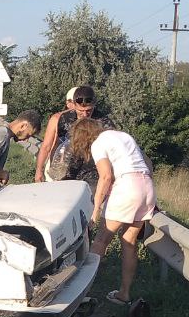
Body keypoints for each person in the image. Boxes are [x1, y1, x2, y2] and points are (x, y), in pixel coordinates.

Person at [88, 116, 157, 305]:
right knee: (129, 241)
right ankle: (124, 294)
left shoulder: (98, 143)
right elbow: (148, 164)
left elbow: (106, 176)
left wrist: (96, 208)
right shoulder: (125, 137)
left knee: (101, 240)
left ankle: (83, 290)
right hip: (146, 186)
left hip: (127, 186)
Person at [35, 85, 87, 182]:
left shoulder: (89, 119)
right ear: (68, 103)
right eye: (75, 101)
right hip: (58, 166)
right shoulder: (57, 119)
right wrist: (39, 170)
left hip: (81, 169)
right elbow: (46, 146)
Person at [0, 110, 41, 184]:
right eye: (28, 135)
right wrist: (3, 174)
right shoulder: (3, 135)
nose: (27, 139)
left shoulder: (1, 131)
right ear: (23, 126)